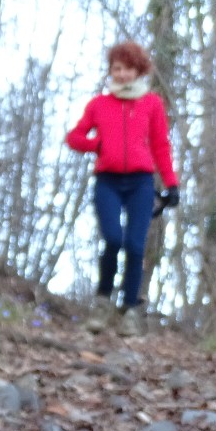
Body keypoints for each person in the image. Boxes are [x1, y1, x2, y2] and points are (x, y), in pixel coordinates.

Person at [66, 40, 180, 336]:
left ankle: (130, 309)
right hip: (108, 181)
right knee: (113, 239)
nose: (123, 74)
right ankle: (103, 302)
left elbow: (160, 145)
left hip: (141, 182)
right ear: (111, 71)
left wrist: (171, 183)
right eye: (117, 68)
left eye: (128, 68)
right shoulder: (99, 104)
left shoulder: (152, 103)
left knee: (135, 245)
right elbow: (74, 137)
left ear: (138, 70)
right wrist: (96, 144)